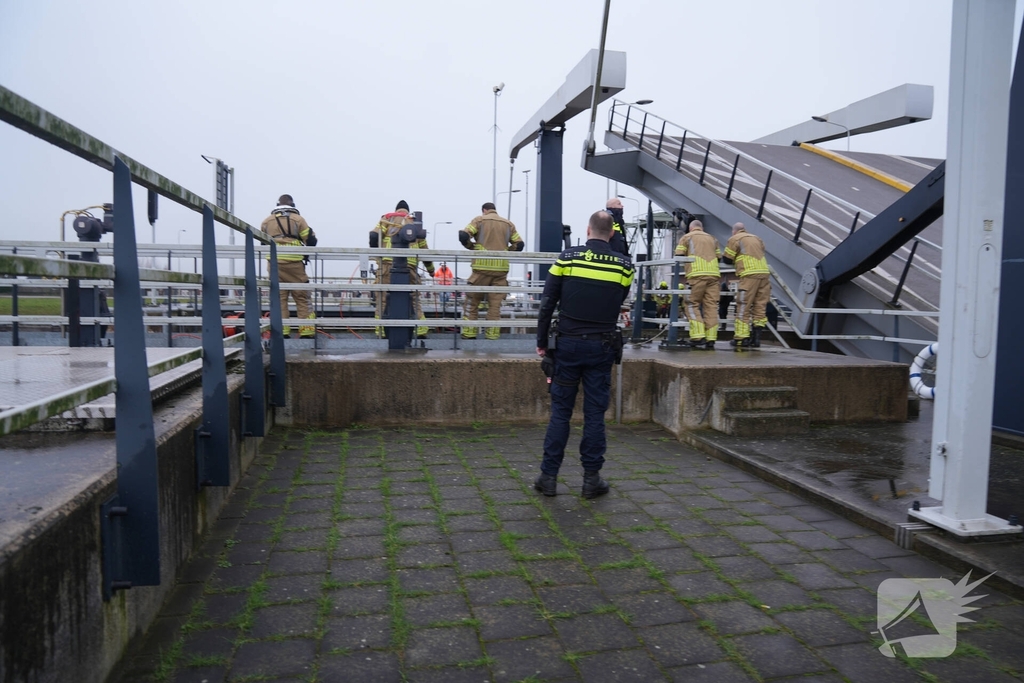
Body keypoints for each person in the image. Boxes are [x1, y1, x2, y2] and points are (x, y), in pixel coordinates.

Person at [534, 211, 634, 499]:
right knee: (594, 415)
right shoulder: (624, 266)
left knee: (560, 413)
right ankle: (591, 480)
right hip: (602, 347)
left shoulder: (567, 258)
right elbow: (618, 299)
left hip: (567, 345)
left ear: (588, 230)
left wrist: (542, 342)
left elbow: (547, 302)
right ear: (612, 234)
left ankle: (549, 477)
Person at [458, 202, 524, 340]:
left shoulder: (479, 220)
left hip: (481, 268)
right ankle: (492, 335)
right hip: (501, 270)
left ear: (484, 210)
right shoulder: (508, 224)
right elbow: (519, 244)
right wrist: (506, 251)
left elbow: (464, 235)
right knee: (495, 305)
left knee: (472, 301)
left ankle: (469, 333)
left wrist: (471, 247)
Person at [370, 200, 433, 338]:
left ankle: (381, 331)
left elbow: (373, 236)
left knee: (382, 298)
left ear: (396, 210)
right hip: (410, 267)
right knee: (414, 299)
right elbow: (426, 253)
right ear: (407, 211)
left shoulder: (387, 219)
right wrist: (431, 270)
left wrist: (376, 254)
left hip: (386, 265)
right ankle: (421, 330)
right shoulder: (414, 223)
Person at [261, 194, 317, 338]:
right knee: (302, 297)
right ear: (292, 205)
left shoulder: (266, 221)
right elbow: (311, 240)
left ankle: (282, 332)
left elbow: (262, 243)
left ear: (277, 205)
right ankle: (306, 331)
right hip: (294, 263)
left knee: (279, 298)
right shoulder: (298, 219)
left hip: (274, 264)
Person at [674, 219, 722, 349]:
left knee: (691, 304)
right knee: (711, 306)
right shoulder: (713, 238)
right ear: (701, 228)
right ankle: (711, 338)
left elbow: (679, 255)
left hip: (696, 274)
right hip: (713, 275)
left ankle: (698, 336)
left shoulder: (687, 237)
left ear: (691, 228)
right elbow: (719, 257)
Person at [723, 221, 771, 348]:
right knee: (760, 306)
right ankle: (756, 339)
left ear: (734, 231)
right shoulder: (757, 238)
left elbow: (727, 259)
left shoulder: (735, 239)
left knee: (743, 306)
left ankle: (741, 338)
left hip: (749, 274)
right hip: (764, 274)